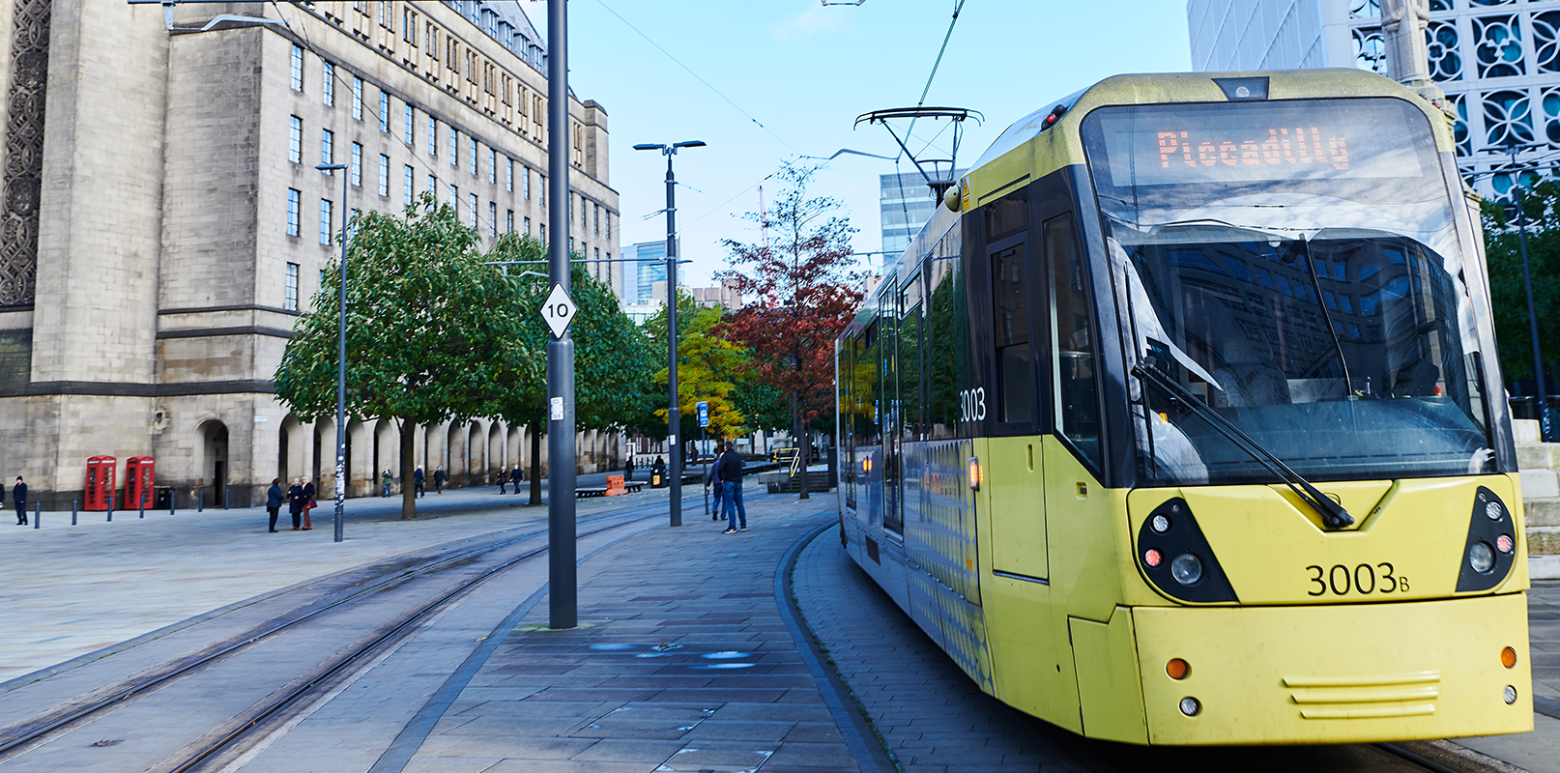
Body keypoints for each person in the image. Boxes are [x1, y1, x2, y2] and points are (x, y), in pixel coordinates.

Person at [719, 442, 746, 533]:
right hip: (738, 481)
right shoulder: (737, 455)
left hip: (729, 481)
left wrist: (721, 478)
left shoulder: (725, 456)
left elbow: (720, 468)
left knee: (730, 504)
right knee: (740, 504)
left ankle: (732, 526)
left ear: (725, 447)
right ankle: (743, 525)